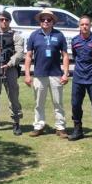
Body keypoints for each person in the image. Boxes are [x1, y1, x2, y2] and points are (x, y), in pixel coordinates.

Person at [24, 9, 69, 137]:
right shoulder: (34, 35)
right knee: (39, 103)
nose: (45, 21)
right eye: (43, 19)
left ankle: (60, 127)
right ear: (40, 21)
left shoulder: (59, 35)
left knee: (58, 103)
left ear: (52, 21)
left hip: (56, 74)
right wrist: (27, 74)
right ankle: (39, 126)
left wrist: (65, 73)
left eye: (48, 19)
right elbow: (28, 56)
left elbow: (65, 56)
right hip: (39, 74)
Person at [68, 15, 92, 141]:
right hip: (78, 78)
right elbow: (75, 56)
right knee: (75, 104)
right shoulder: (75, 40)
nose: (84, 27)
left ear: (90, 25)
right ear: (79, 26)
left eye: (87, 24)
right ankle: (78, 129)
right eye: (82, 24)